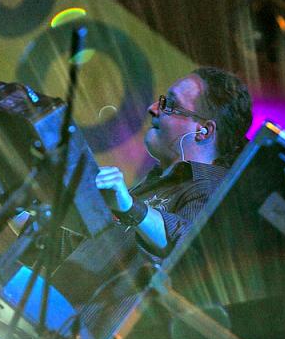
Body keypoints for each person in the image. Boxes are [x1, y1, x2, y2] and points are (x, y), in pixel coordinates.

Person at [95, 66, 253, 260]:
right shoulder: (161, 179)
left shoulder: (216, 193)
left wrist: (130, 207)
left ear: (203, 130)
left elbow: (188, 245)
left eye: (170, 104)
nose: (153, 108)